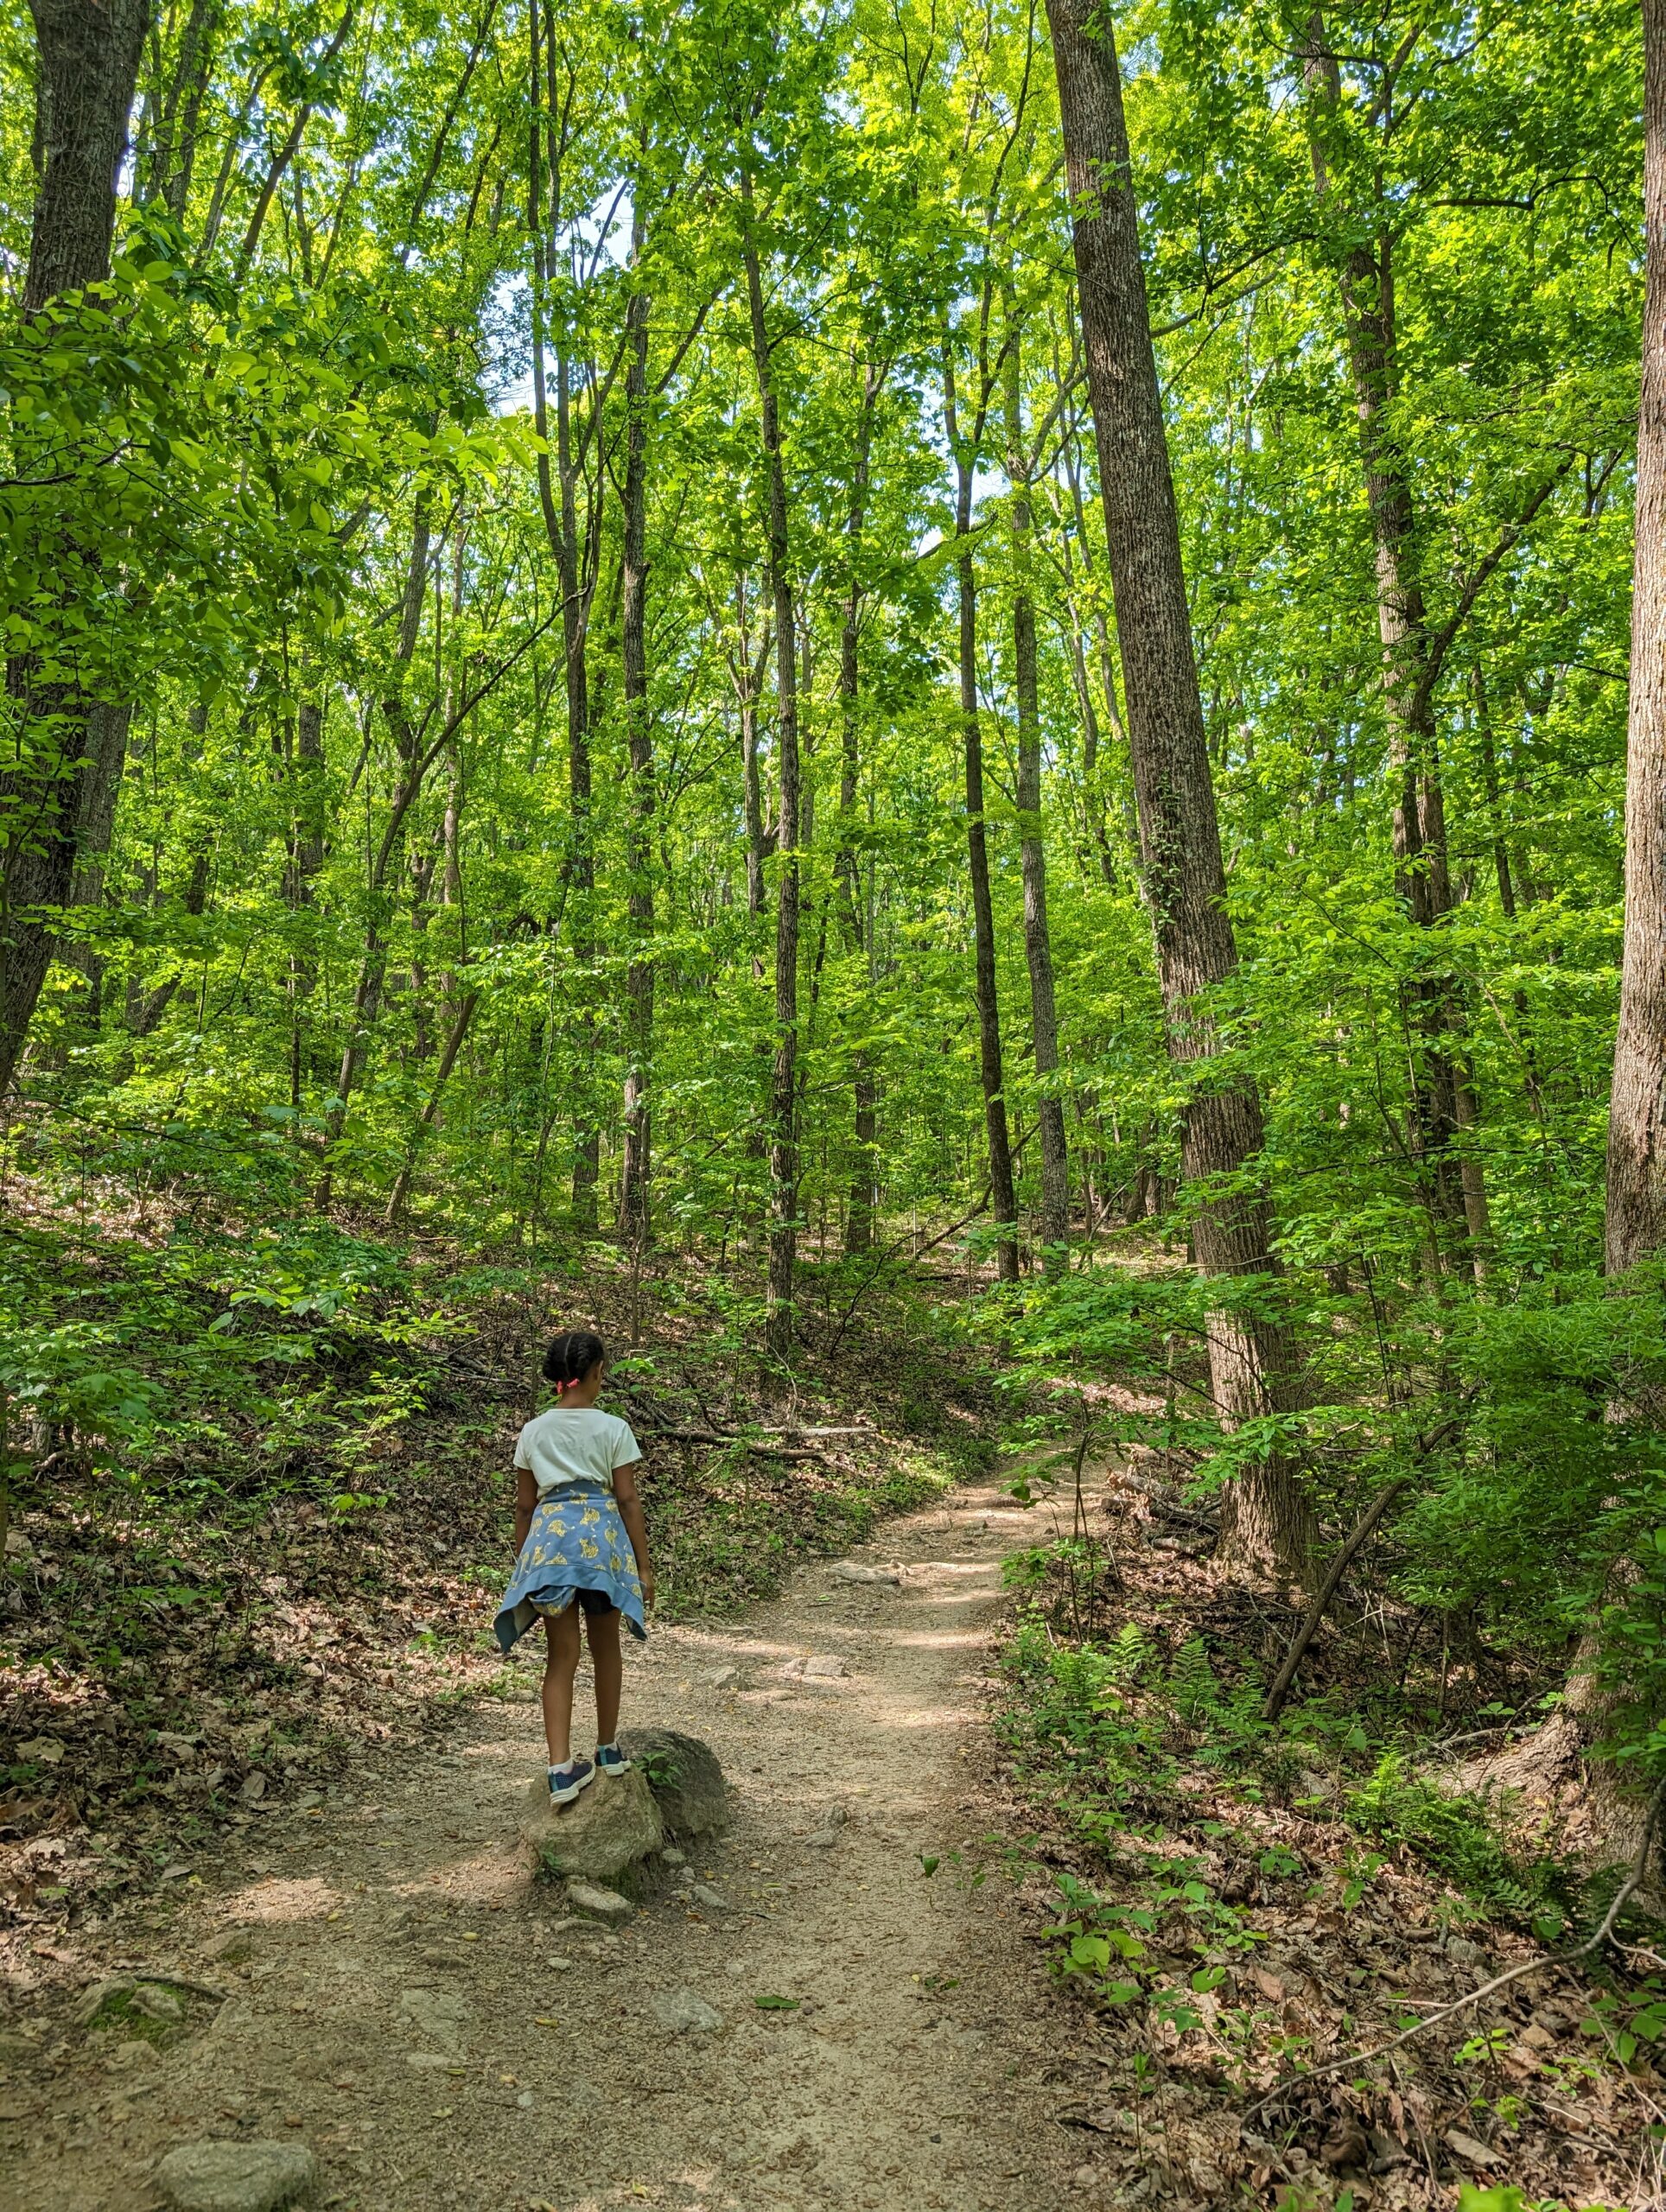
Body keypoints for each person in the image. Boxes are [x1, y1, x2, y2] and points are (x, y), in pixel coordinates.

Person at [493, 1329, 655, 1804]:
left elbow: (525, 1507)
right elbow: (627, 1500)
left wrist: (527, 1562)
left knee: (561, 1656)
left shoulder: (533, 1430)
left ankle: (560, 1769)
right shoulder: (613, 1429)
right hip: (602, 1548)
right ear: (595, 1373)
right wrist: (643, 1568)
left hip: (551, 1550)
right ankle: (607, 1749)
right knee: (606, 1648)